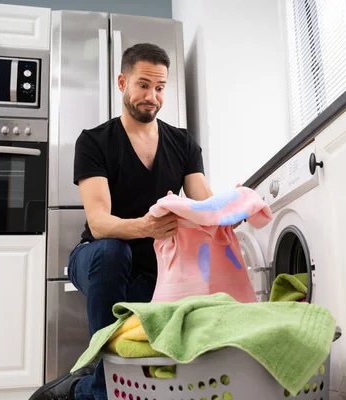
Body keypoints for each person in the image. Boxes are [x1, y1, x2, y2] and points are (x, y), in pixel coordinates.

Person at [30, 43, 215, 400]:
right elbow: (99, 224)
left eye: (160, 87)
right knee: (113, 252)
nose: (152, 96)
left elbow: (204, 201)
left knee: (152, 346)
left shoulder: (183, 143)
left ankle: (81, 388)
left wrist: (231, 209)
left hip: (152, 269)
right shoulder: (94, 141)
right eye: (143, 85)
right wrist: (145, 227)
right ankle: (102, 393)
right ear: (122, 82)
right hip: (96, 259)